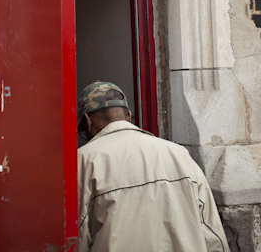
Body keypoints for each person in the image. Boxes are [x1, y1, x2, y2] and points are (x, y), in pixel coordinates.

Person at [77, 81, 230, 252]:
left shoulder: (82, 161)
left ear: (87, 121)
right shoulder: (179, 154)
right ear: (128, 115)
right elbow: (212, 234)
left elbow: (77, 238)